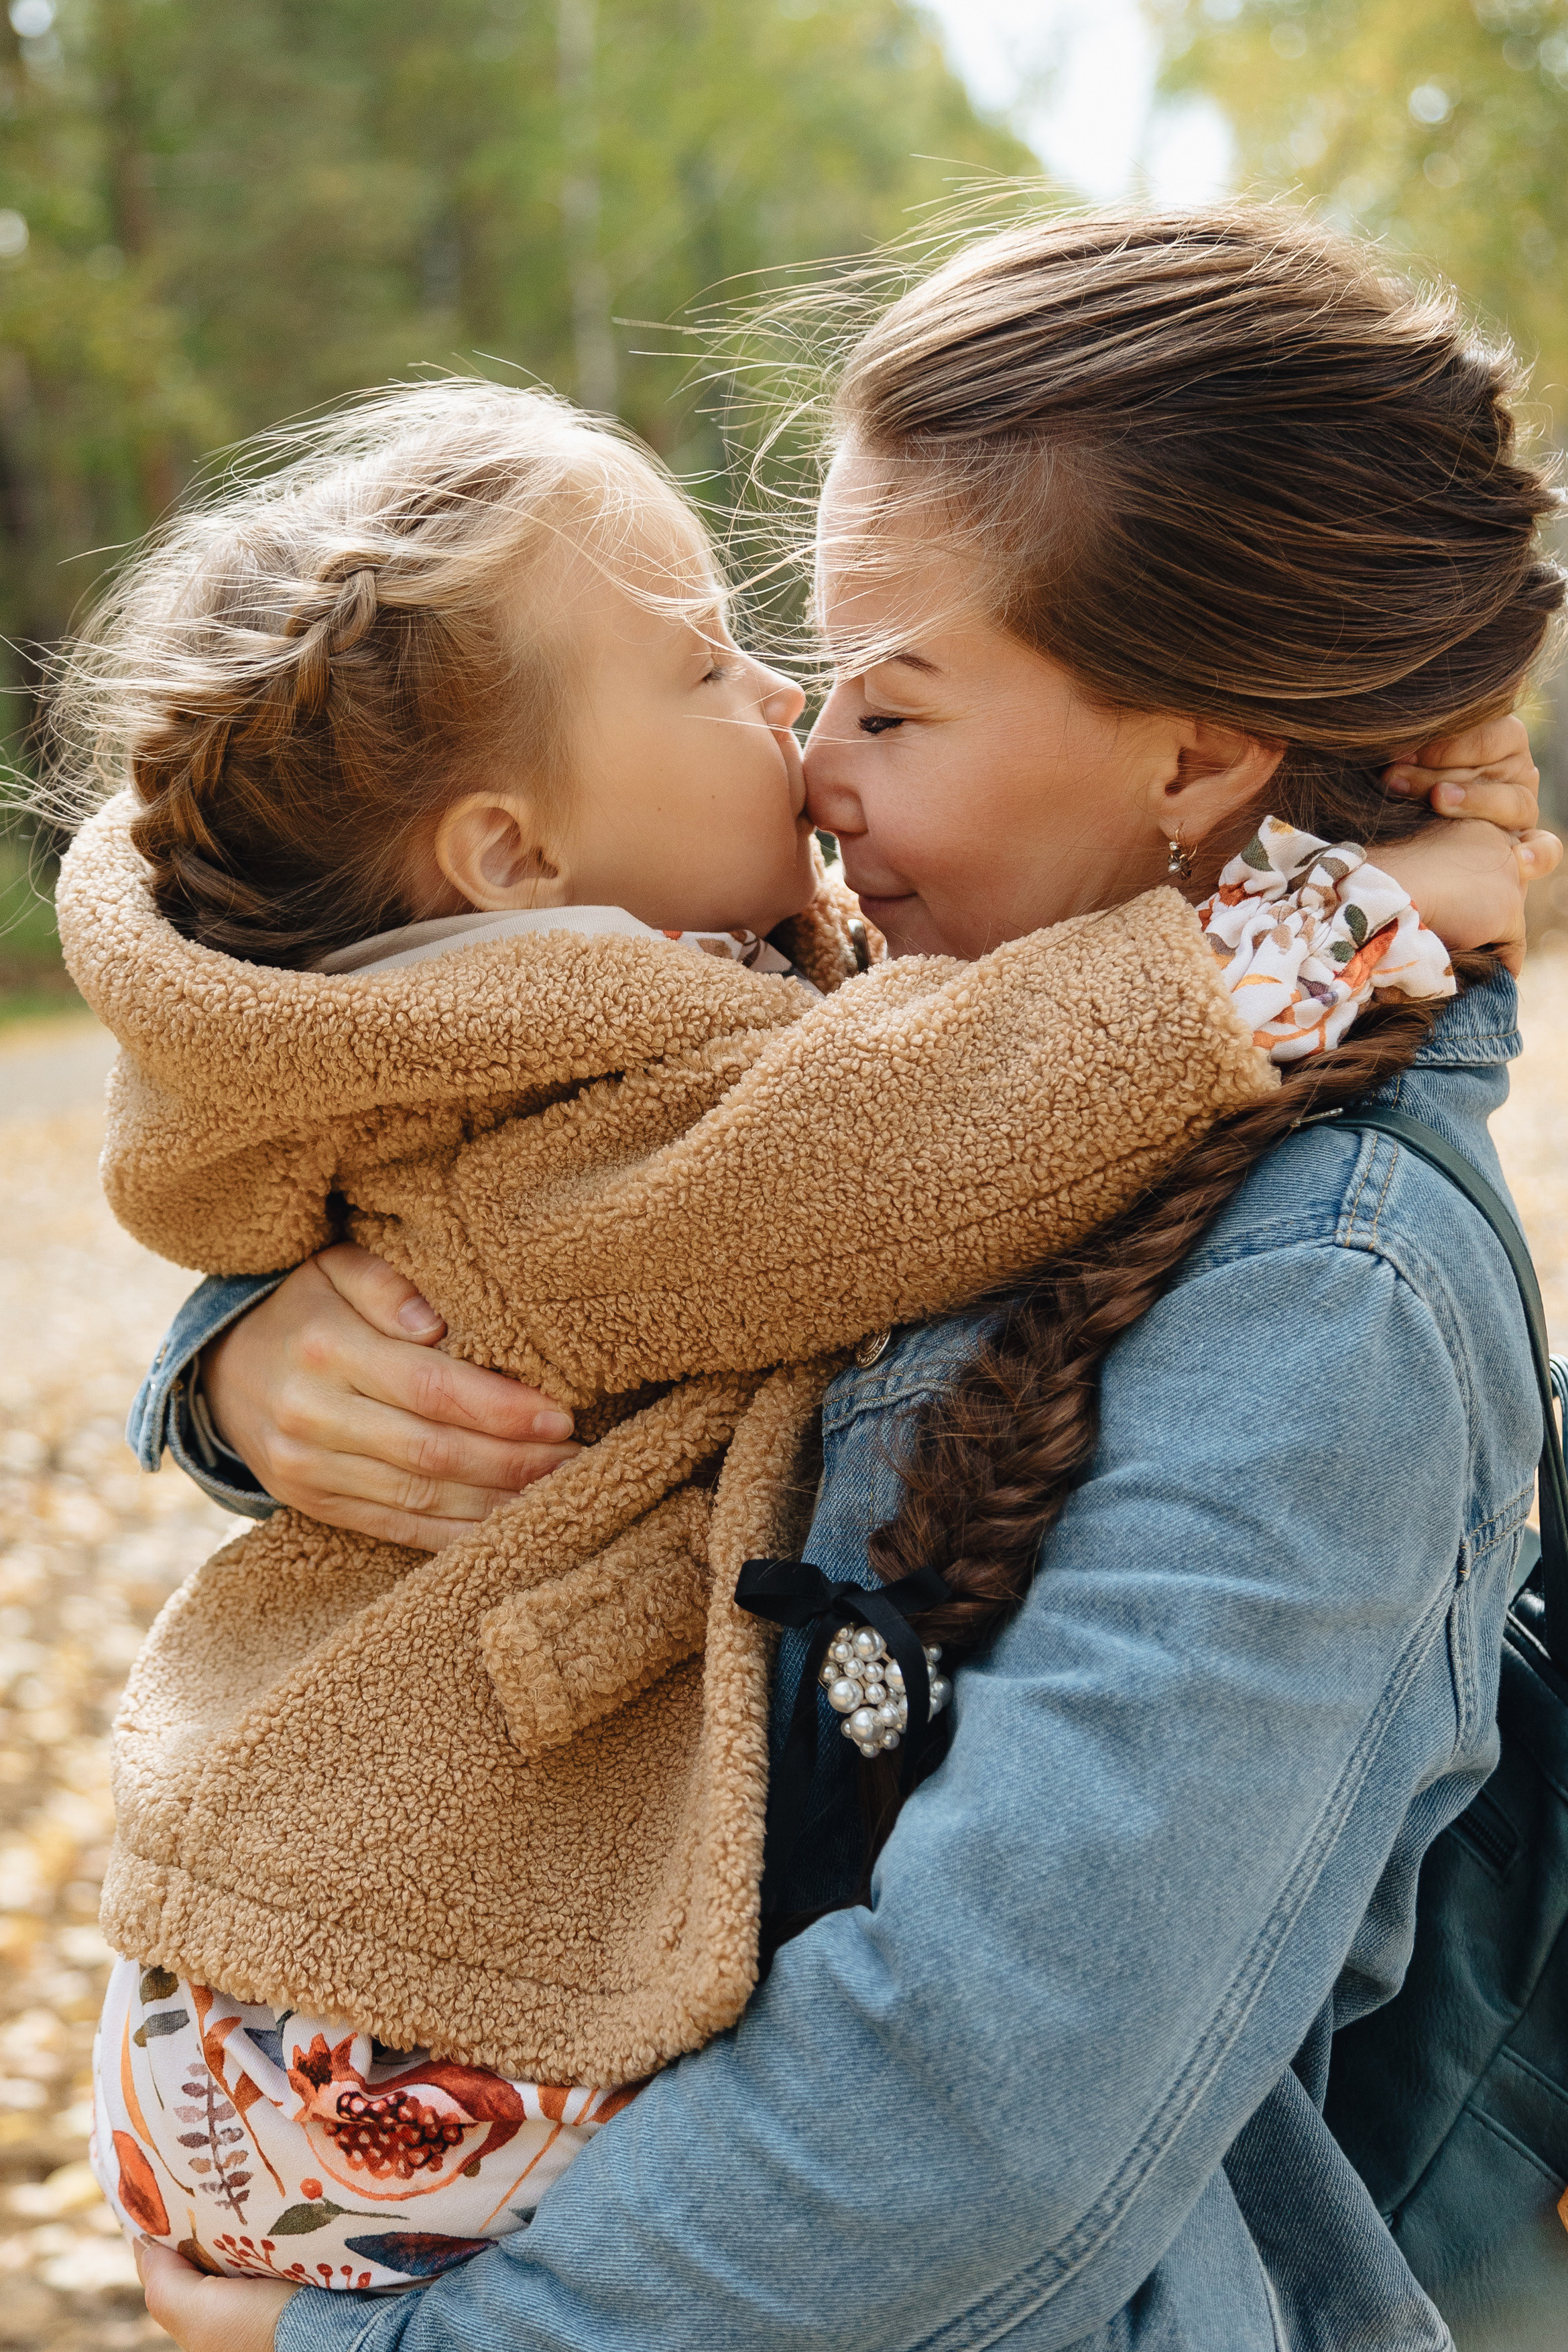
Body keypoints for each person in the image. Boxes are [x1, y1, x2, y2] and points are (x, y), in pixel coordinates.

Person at [128, 207, 1562, 2349]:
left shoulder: (1321, 1305)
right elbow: (491, 1114)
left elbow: (969, 2125)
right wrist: (244, 1358)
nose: (805, 763)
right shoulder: (904, 1038)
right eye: (775, 668)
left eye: (887, 704)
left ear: (1188, 764)